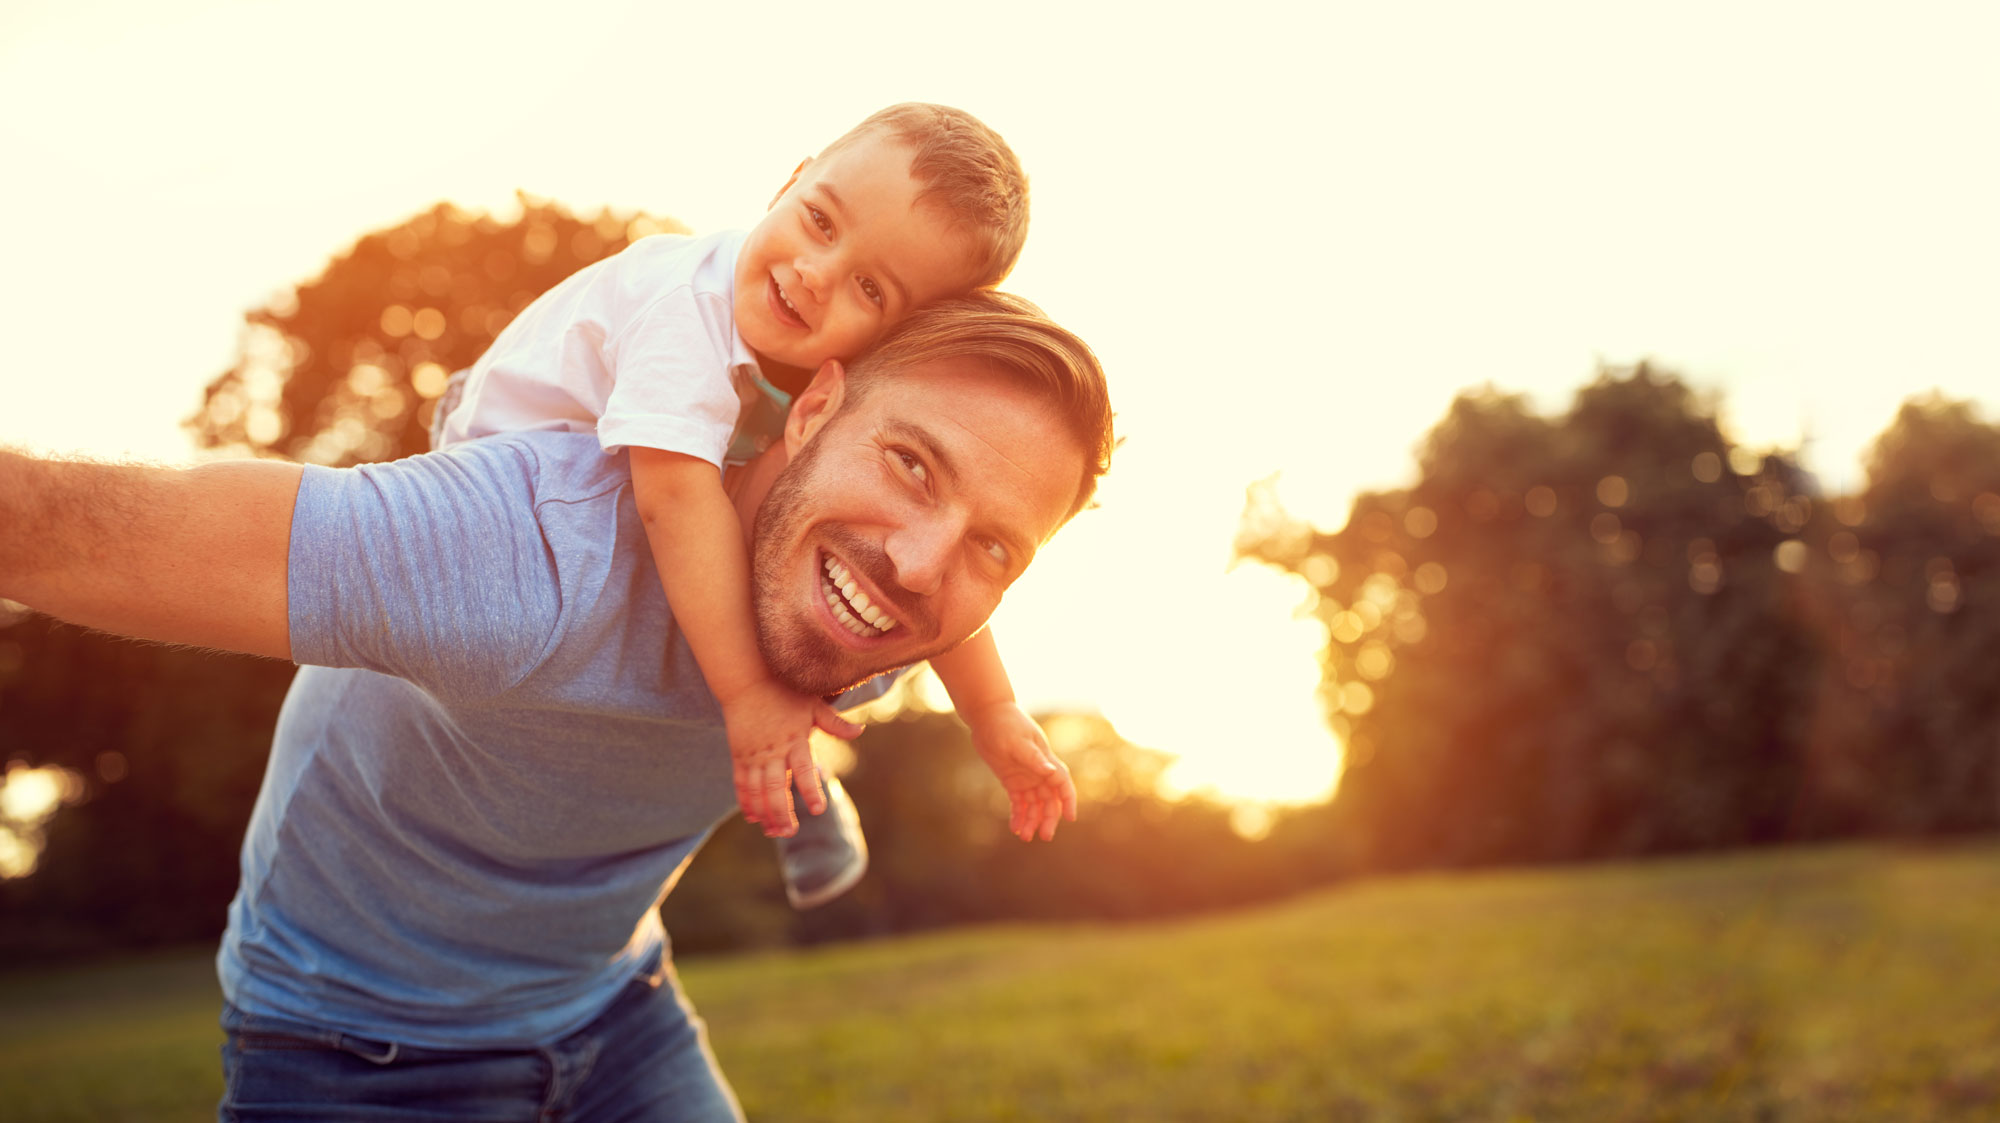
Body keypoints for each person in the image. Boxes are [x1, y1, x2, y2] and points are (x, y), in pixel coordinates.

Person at [0, 291, 1114, 1121]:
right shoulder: (522, 552)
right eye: (913, 464)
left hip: (613, 1006)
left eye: (992, 547)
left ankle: (806, 804)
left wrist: (996, 718)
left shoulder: (875, 603)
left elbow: (937, 579)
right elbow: (46, 525)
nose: (921, 565)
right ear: (810, 406)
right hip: (355, 1050)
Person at [433, 104, 1073, 917]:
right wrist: (747, 695)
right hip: (515, 481)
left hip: (648, 486)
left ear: (900, 336)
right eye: (819, 220)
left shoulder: (833, 371)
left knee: (838, 585)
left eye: (871, 287)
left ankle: (797, 790)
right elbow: (672, 499)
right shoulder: (682, 308)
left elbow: (931, 543)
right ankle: (788, 779)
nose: (816, 272)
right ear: (791, 178)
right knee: (730, 627)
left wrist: (995, 713)